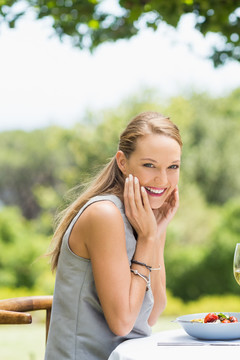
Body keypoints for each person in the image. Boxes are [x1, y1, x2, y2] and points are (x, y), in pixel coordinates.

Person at [45, 111, 182, 359]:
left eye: (172, 167)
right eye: (149, 165)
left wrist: (157, 232)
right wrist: (149, 238)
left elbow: (153, 312)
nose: (162, 179)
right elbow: (123, 323)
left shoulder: (142, 218)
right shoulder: (105, 215)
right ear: (122, 162)